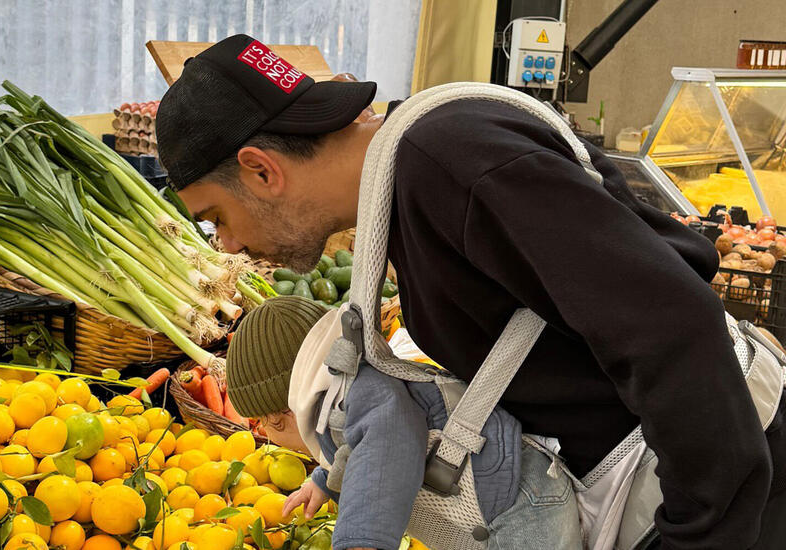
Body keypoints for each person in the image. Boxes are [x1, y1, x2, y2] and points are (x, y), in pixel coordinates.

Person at [156, 34, 786, 549]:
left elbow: (673, 325)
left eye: (215, 217)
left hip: (734, 479)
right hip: (683, 480)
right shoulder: (405, 185)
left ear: (261, 170)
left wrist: (698, 533)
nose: (229, 246)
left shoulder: (451, 162)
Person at [225, 295, 582, 550]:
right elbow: (357, 447)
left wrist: (361, 540)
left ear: (283, 414)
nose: (264, 435)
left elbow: (387, 447)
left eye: (262, 425)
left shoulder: (360, 393)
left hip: (520, 507)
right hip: (498, 500)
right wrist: (323, 482)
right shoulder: (339, 394)